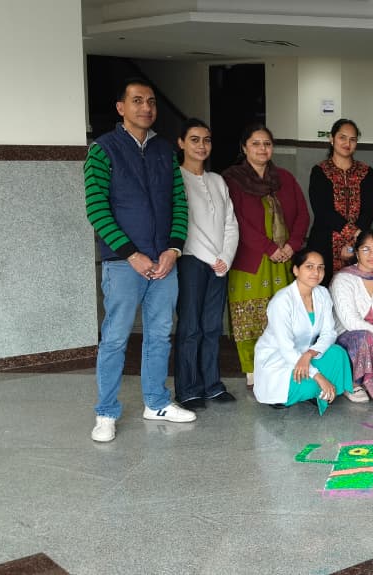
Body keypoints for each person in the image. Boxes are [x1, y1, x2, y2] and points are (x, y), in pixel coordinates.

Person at [85, 78, 195, 442]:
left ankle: (156, 402)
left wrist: (173, 250)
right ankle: (105, 412)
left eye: (151, 101)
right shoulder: (103, 150)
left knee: (160, 334)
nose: (146, 107)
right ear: (121, 107)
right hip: (123, 263)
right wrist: (130, 254)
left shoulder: (164, 150)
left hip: (164, 262)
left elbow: (179, 203)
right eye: (137, 101)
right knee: (115, 338)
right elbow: (97, 209)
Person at [225, 124, 311, 391]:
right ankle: (252, 370)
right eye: (256, 144)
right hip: (250, 261)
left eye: (267, 144)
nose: (262, 149)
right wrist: (268, 247)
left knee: (281, 316)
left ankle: (281, 364)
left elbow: (302, 214)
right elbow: (236, 220)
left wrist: (292, 245)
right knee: (249, 316)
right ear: (244, 148)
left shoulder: (284, 178)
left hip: (284, 260)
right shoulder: (232, 179)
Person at [173, 118, 239, 410]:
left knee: (212, 327)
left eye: (207, 140)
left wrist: (226, 256)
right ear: (181, 143)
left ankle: (212, 385)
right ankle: (188, 389)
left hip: (219, 264)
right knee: (190, 327)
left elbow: (230, 223)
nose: (202, 145)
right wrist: (213, 258)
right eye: (195, 139)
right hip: (191, 261)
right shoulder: (176, 178)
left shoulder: (217, 180)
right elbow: (185, 225)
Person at [252, 248, 353, 414]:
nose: (316, 272)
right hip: (278, 361)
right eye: (309, 267)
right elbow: (286, 349)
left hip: (305, 355)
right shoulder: (282, 301)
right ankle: (314, 390)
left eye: (320, 267)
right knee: (313, 384)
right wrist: (318, 376)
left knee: (338, 353)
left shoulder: (322, 293)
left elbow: (329, 333)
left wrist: (309, 354)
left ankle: (317, 391)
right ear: (296, 270)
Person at [331, 230, 373, 403]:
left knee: (370, 339)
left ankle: (370, 380)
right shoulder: (343, 279)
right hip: (349, 338)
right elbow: (350, 321)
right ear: (356, 252)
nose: (372, 255)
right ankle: (352, 383)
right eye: (366, 249)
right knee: (363, 337)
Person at [308, 118, 373, 281]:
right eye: (342, 137)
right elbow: (322, 211)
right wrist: (354, 233)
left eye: (353, 139)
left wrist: (353, 244)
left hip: (358, 244)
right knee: (321, 288)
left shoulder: (366, 172)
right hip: (324, 242)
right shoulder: (320, 171)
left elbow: (369, 210)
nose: (347, 143)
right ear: (331, 139)